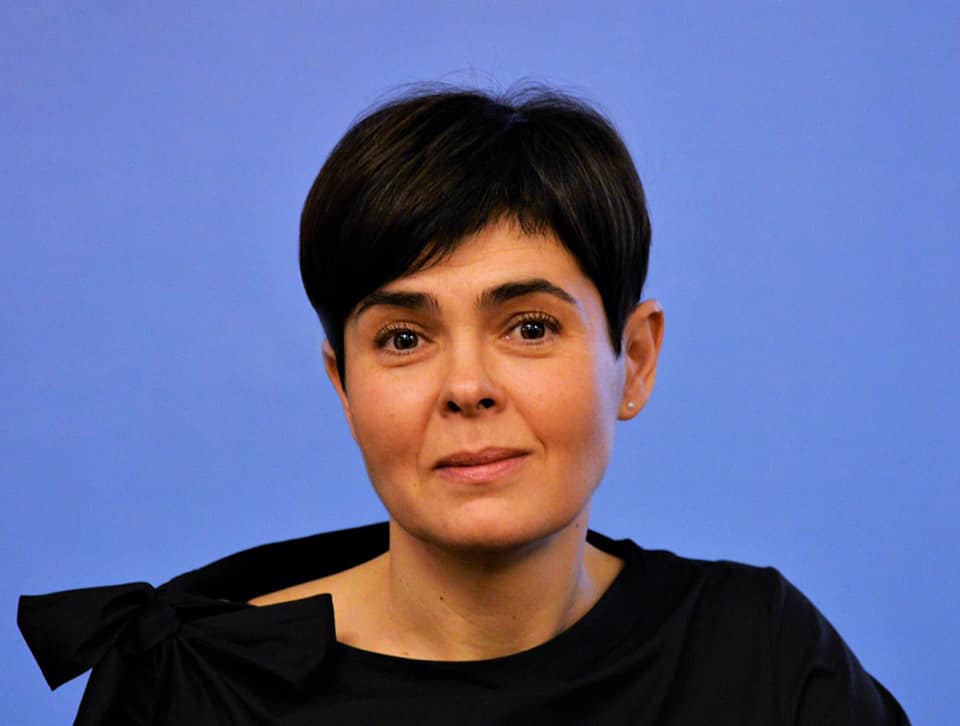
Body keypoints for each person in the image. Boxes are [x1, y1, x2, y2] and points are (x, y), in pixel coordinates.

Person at [18, 85, 909, 725]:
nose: (467, 386)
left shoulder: (760, 655)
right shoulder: (193, 682)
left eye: (530, 326)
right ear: (343, 384)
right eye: (404, 338)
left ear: (634, 360)